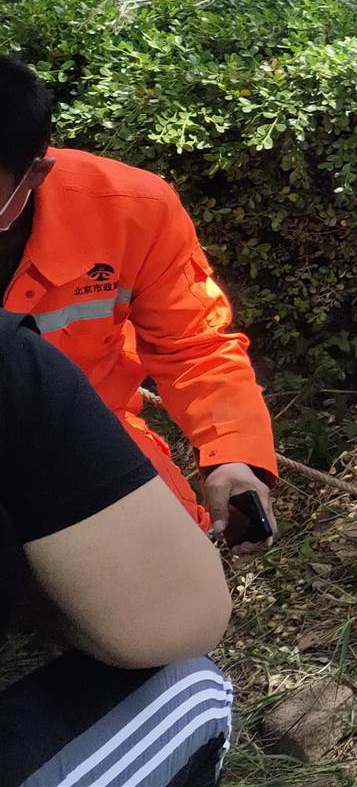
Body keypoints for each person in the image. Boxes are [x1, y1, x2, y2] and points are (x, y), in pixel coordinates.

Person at [0, 57, 277, 550]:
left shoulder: (132, 212)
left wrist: (234, 456)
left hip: (87, 434)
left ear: (36, 172)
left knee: (177, 564)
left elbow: (195, 345)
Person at [1, 308, 235, 786]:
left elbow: (194, 340)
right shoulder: (13, 364)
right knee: (194, 689)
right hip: (60, 434)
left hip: (95, 442)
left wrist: (232, 452)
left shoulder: (143, 241)